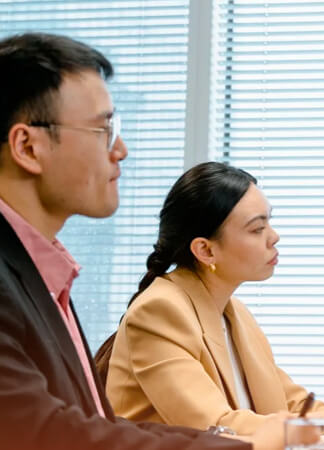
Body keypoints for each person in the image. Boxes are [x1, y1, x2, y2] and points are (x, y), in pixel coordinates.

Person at [0, 32, 286, 450]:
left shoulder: (42, 275)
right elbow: (46, 432)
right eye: (103, 129)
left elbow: (89, 422)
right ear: (28, 146)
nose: (121, 150)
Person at [95, 161, 324, 439]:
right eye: (256, 228)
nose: (274, 237)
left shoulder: (234, 313)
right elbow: (216, 427)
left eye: (269, 222)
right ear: (205, 249)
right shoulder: (160, 311)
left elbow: (294, 405)